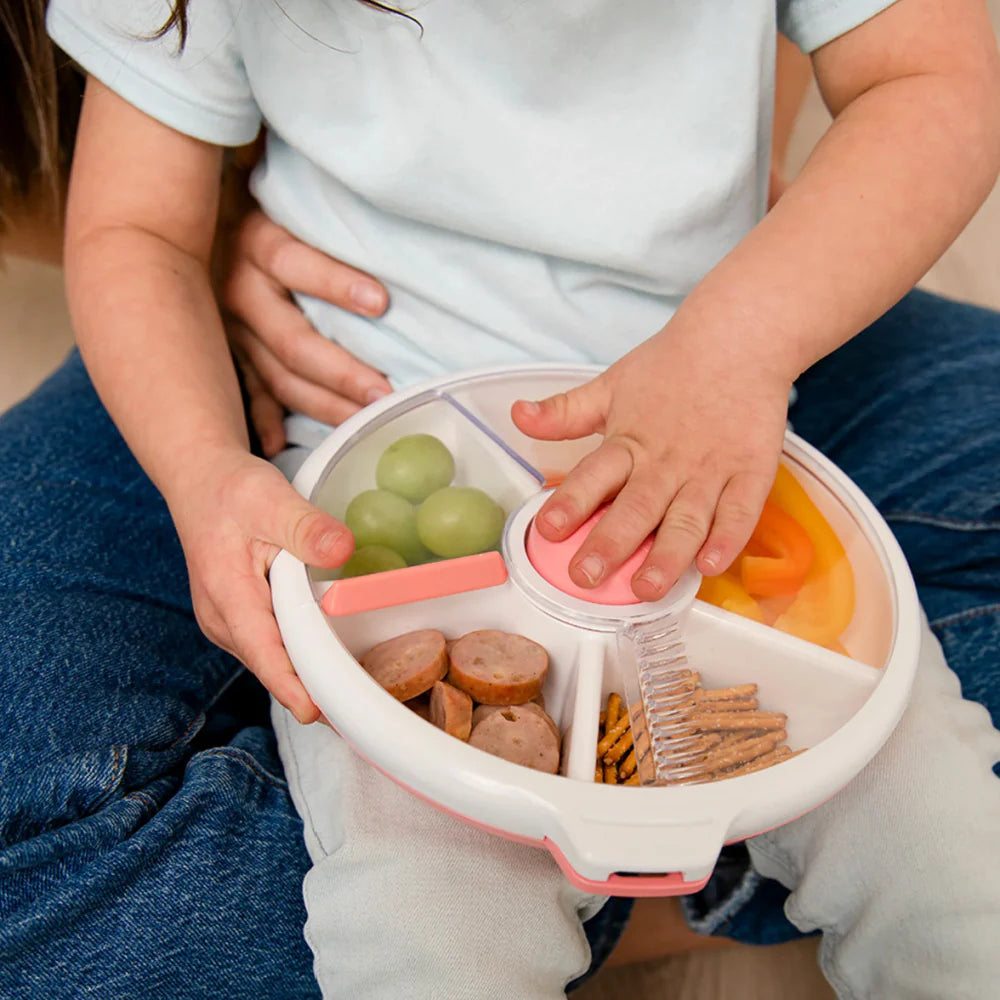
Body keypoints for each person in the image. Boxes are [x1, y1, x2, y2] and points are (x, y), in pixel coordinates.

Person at [2, 3, 999, 1000]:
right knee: (424, 925)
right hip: (367, 454)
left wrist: (740, 342)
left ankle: (634, 874)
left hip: (724, 439)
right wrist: (202, 471)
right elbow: (133, 226)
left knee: (946, 859)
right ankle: (629, 877)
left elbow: (932, 76)